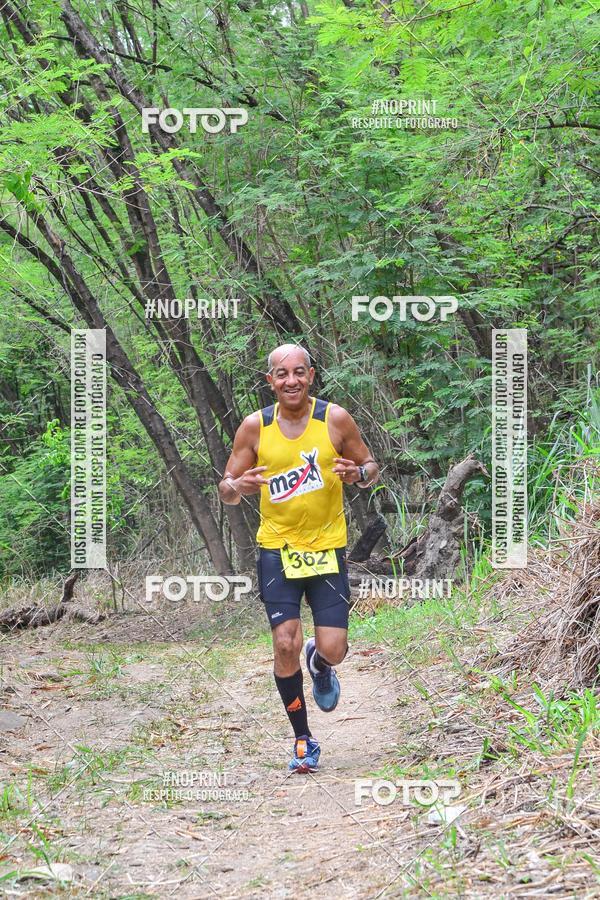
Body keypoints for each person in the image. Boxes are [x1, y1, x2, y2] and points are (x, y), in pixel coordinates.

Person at [219, 344, 379, 773]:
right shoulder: (255, 428)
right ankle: (303, 739)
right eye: (281, 374)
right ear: (269, 381)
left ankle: (320, 663)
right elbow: (226, 488)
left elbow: (370, 467)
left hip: (327, 550)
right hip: (278, 550)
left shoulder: (336, 419)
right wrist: (239, 487)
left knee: (336, 647)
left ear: (311, 375)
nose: (291, 380)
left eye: (299, 372)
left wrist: (358, 475)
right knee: (283, 640)